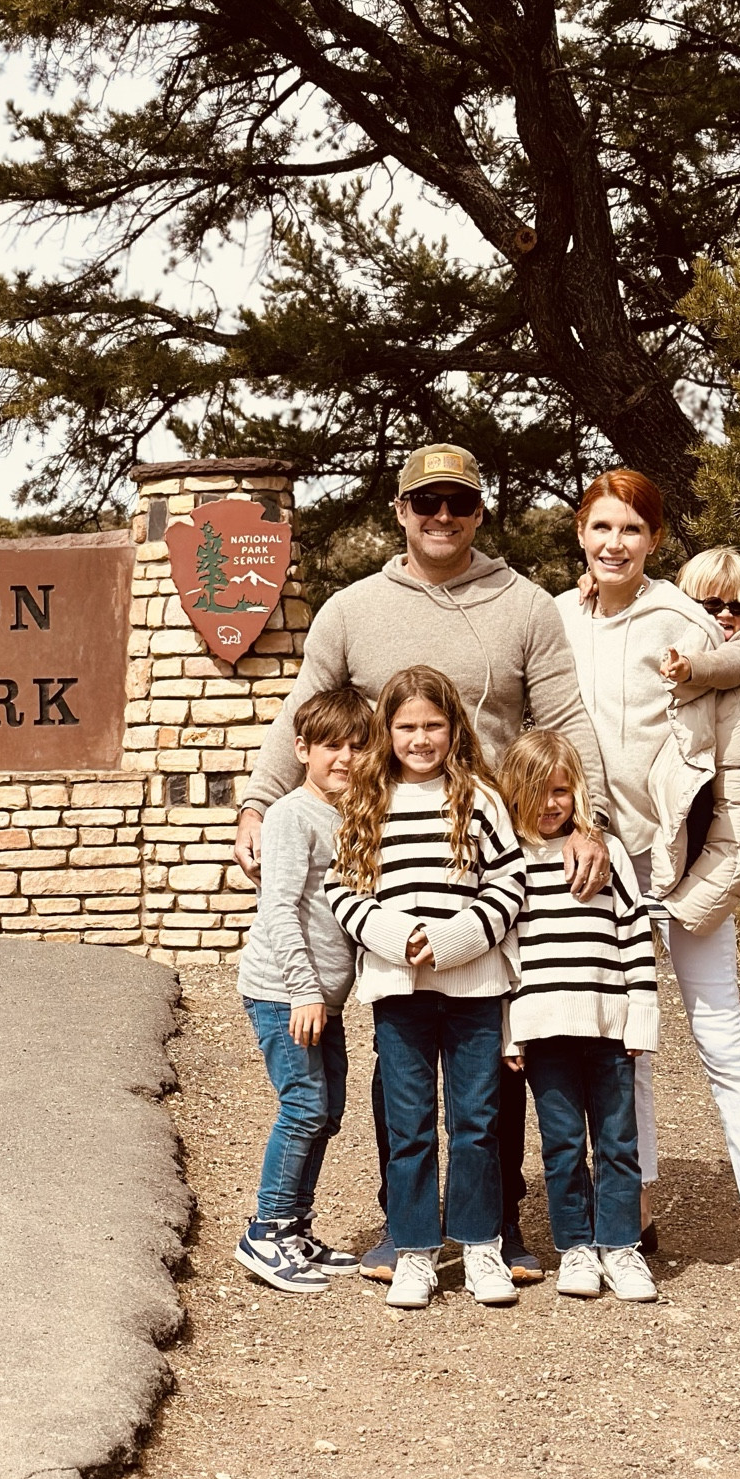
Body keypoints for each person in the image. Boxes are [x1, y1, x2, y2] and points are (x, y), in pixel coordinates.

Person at [234, 440, 612, 1285]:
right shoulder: (352, 608)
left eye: (459, 503)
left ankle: (499, 1225)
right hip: (388, 850)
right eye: (425, 502)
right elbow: (303, 711)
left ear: (481, 512)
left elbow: (564, 716)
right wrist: (258, 799)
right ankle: (404, 1227)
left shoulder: (523, 607)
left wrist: (590, 819)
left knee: (494, 1050)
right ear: (399, 511)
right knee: (399, 1055)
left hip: (495, 842)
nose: (442, 516)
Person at [557, 470, 740, 1301]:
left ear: (655, 540)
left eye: (632, 529)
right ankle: (636, 1208)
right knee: (629, 1048)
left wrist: (692, 900)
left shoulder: (691, 629)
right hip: (598, 873)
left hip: (685, 873)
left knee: (723, 1040)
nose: (615, 542)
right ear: (581, 534)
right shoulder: (558, 621)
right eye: (601, 527)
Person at [324, 667, 526, 1310]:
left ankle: (479, 1245)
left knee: (477, 1121)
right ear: (387, 731)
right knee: (408, 1121)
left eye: (433, 725)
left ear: (453, 729)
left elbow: (509, 887)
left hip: (473, 988)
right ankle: (414, 1248)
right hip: (398, 989)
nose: (420, 738)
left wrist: (454, 940)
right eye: (406, 726)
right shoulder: (368, 798)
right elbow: (342, 889)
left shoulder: (479, 800)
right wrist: (395, 937)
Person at [497, 729, 659, 1302]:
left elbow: (635, 935)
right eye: (537, 792)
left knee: (618, 1140)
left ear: (577, 792)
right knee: (563, 1144)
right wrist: (510, 1032)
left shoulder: (602, 854)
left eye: (561, 791)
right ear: (514, 792)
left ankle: (621, 1247)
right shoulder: (511, 864)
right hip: (544, 1030)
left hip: (608, 1023)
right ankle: (576, 1249)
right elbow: (507, 958)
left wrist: (640, 1015)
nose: (550, 804)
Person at [234, 684, 376, 1293]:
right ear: (301, 749)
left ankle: (294, 1226)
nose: (344, 758)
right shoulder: (291, 815)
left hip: (322, 995)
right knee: (304, 1106)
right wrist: (304, 992)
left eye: (356, 746)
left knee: (328, 1110)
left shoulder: (349, 814)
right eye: (330, 747)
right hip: (285, 991)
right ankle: (263, 1233)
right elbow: (280, 909)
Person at [661, 547, 740, 773]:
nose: (725, 614)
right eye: (712, 605)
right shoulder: (683, 642)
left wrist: (690, 667)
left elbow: (733, 663)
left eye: (738, 607)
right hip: (693, 760)